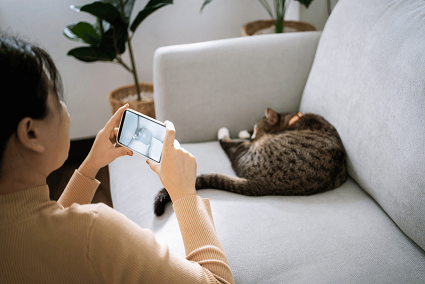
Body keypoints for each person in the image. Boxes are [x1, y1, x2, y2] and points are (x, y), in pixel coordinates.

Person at [0, 33, 234, 283]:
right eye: (56, 98)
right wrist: (184, 192)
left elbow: (44, 234)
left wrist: (91, 165)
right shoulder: (94, 233)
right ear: (31, 133)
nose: (63, 107)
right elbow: (218, 281)